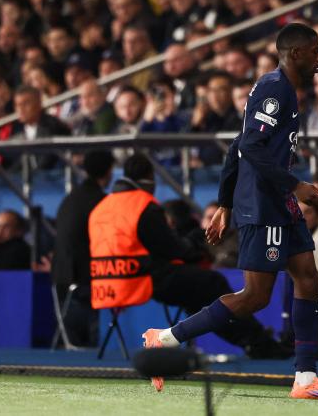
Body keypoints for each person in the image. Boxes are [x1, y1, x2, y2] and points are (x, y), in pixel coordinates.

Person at [142, 23, 318, 401]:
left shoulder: (281, 89)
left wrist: (223, 203)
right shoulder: (274, 89)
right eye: (315, 50)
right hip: (264, 204)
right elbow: (250, 148)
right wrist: (295, 186)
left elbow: (237, 145)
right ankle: (166, 338)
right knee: (255, 296)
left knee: (307, 277)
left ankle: (306, 379)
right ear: (296, 53)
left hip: (277, 201)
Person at [90, 154, 283, 358]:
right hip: (141, 280)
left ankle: (254, 342)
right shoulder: (142, 204)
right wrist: (194, 242)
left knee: (194, 291)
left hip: (105, 284)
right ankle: (256, 342)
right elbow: (172, 249)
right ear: (149, 176)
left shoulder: (101, 207)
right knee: (212, 283)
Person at [51, 151, 115, 347]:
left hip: (61, 276)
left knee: (73, 342)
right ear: (108, 172)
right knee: (91, 344)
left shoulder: (69, 199)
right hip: (86, 280)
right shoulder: (102, 201)